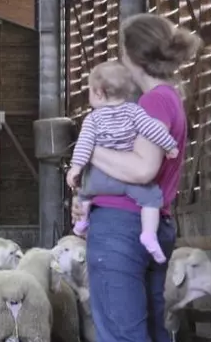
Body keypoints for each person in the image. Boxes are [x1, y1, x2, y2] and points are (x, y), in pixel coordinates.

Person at [67, 13, 202, 342]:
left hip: (123, 232)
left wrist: (86, 149)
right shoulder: (163, 100)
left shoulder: (154, 104)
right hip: (143, 226)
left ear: (132, 54)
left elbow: (143, 169)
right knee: (150, 339)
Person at [67, 60, 180, 264]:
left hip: (99, 178)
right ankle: (148, 234)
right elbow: (153, 131)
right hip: (126, 180)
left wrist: (75, 168)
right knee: (152, 198)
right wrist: (170, 146)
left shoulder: (92, 120)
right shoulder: (134, 112)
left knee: (83, 192)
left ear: (99, 93)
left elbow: (83, 146)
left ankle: (81, 223)